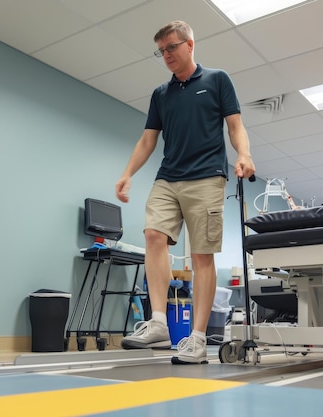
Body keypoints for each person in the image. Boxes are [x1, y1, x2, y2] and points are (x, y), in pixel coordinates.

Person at [114, 20, 255, 364]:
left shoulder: (217, 80)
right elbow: (149, 139)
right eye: (161, 50)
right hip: (168, 176)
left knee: (201, 255)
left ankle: (196, 338)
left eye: (171, 47)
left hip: (207, 176)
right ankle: (159, 322)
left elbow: (235, 125)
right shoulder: (161, 94)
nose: (166, 55)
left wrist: (244, 155)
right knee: (152, 235)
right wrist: (127, 173)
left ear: (190, 45)